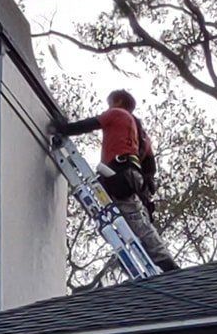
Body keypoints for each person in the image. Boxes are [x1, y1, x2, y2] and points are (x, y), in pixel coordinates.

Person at [53, 89, 179, 272]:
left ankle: (165, 263)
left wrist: (63, 128)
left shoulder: (117, 113)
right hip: (132, 178)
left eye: (110, 102)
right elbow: (150, 166)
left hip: (117, 173)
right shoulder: (142, 133)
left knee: (134, 223)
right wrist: (147, 183)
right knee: (131, 220)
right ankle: (149, 257)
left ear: (119, 101)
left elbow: (90, 124)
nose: (108, 107)